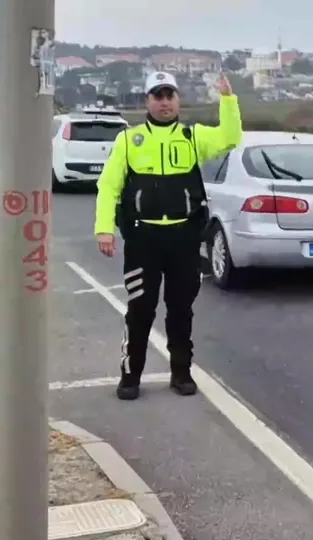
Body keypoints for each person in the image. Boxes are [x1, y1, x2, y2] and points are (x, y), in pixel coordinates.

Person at [94, 71, 241, 400]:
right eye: (157, 96)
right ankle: (130, 377)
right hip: (142, 241)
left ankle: (181, 373)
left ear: (178, 100)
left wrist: (228, 101)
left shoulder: (193, 138)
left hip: (183, 242)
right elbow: (108, 187)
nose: (164, 102)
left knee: (180, 310)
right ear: (147, 101)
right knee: (140, 310)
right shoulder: (128, 141)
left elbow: (231, 138)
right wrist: (104, 228)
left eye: (169, 95)